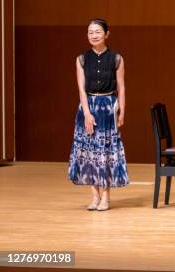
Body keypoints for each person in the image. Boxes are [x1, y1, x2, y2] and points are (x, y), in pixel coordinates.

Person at [68, 18, 129, 211]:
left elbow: (121, 87)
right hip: (88, 107)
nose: (93, 35)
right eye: (90, 32)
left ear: (106, 34)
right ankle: (94, 196)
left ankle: (106, 197)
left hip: (108, 107)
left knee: (106, 153)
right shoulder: (81, 59)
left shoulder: (116, 58)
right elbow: (80, 89)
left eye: (97, 32)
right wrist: (86, 113)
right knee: (89, 153)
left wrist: (121, 112)